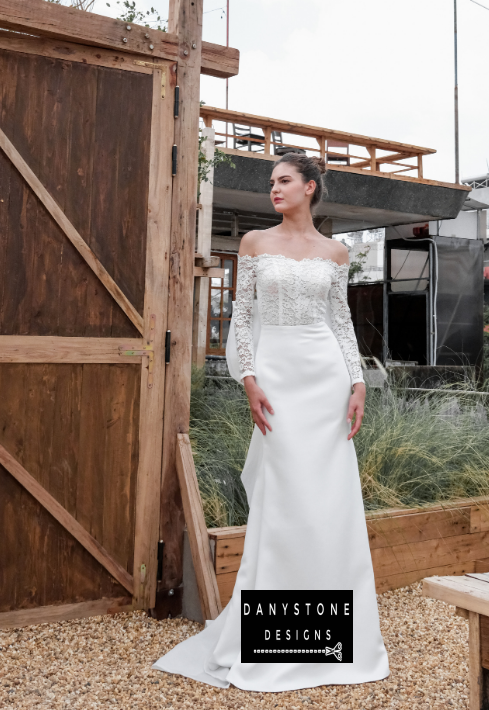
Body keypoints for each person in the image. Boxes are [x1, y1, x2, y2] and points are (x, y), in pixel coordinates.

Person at [153, 152, 389, 692]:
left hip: (326, 380)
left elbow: (341, 321)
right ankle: (275, 640)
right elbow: (241, 316)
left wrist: (356, 383)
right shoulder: (256, 242)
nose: (273, 189)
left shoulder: (336, 251)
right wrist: (249, 379)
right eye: (270, 182)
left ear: (310, 187)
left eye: (284, 181)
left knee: (330, 504)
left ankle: (332, 639)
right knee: (284, 501)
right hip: (277, 382)